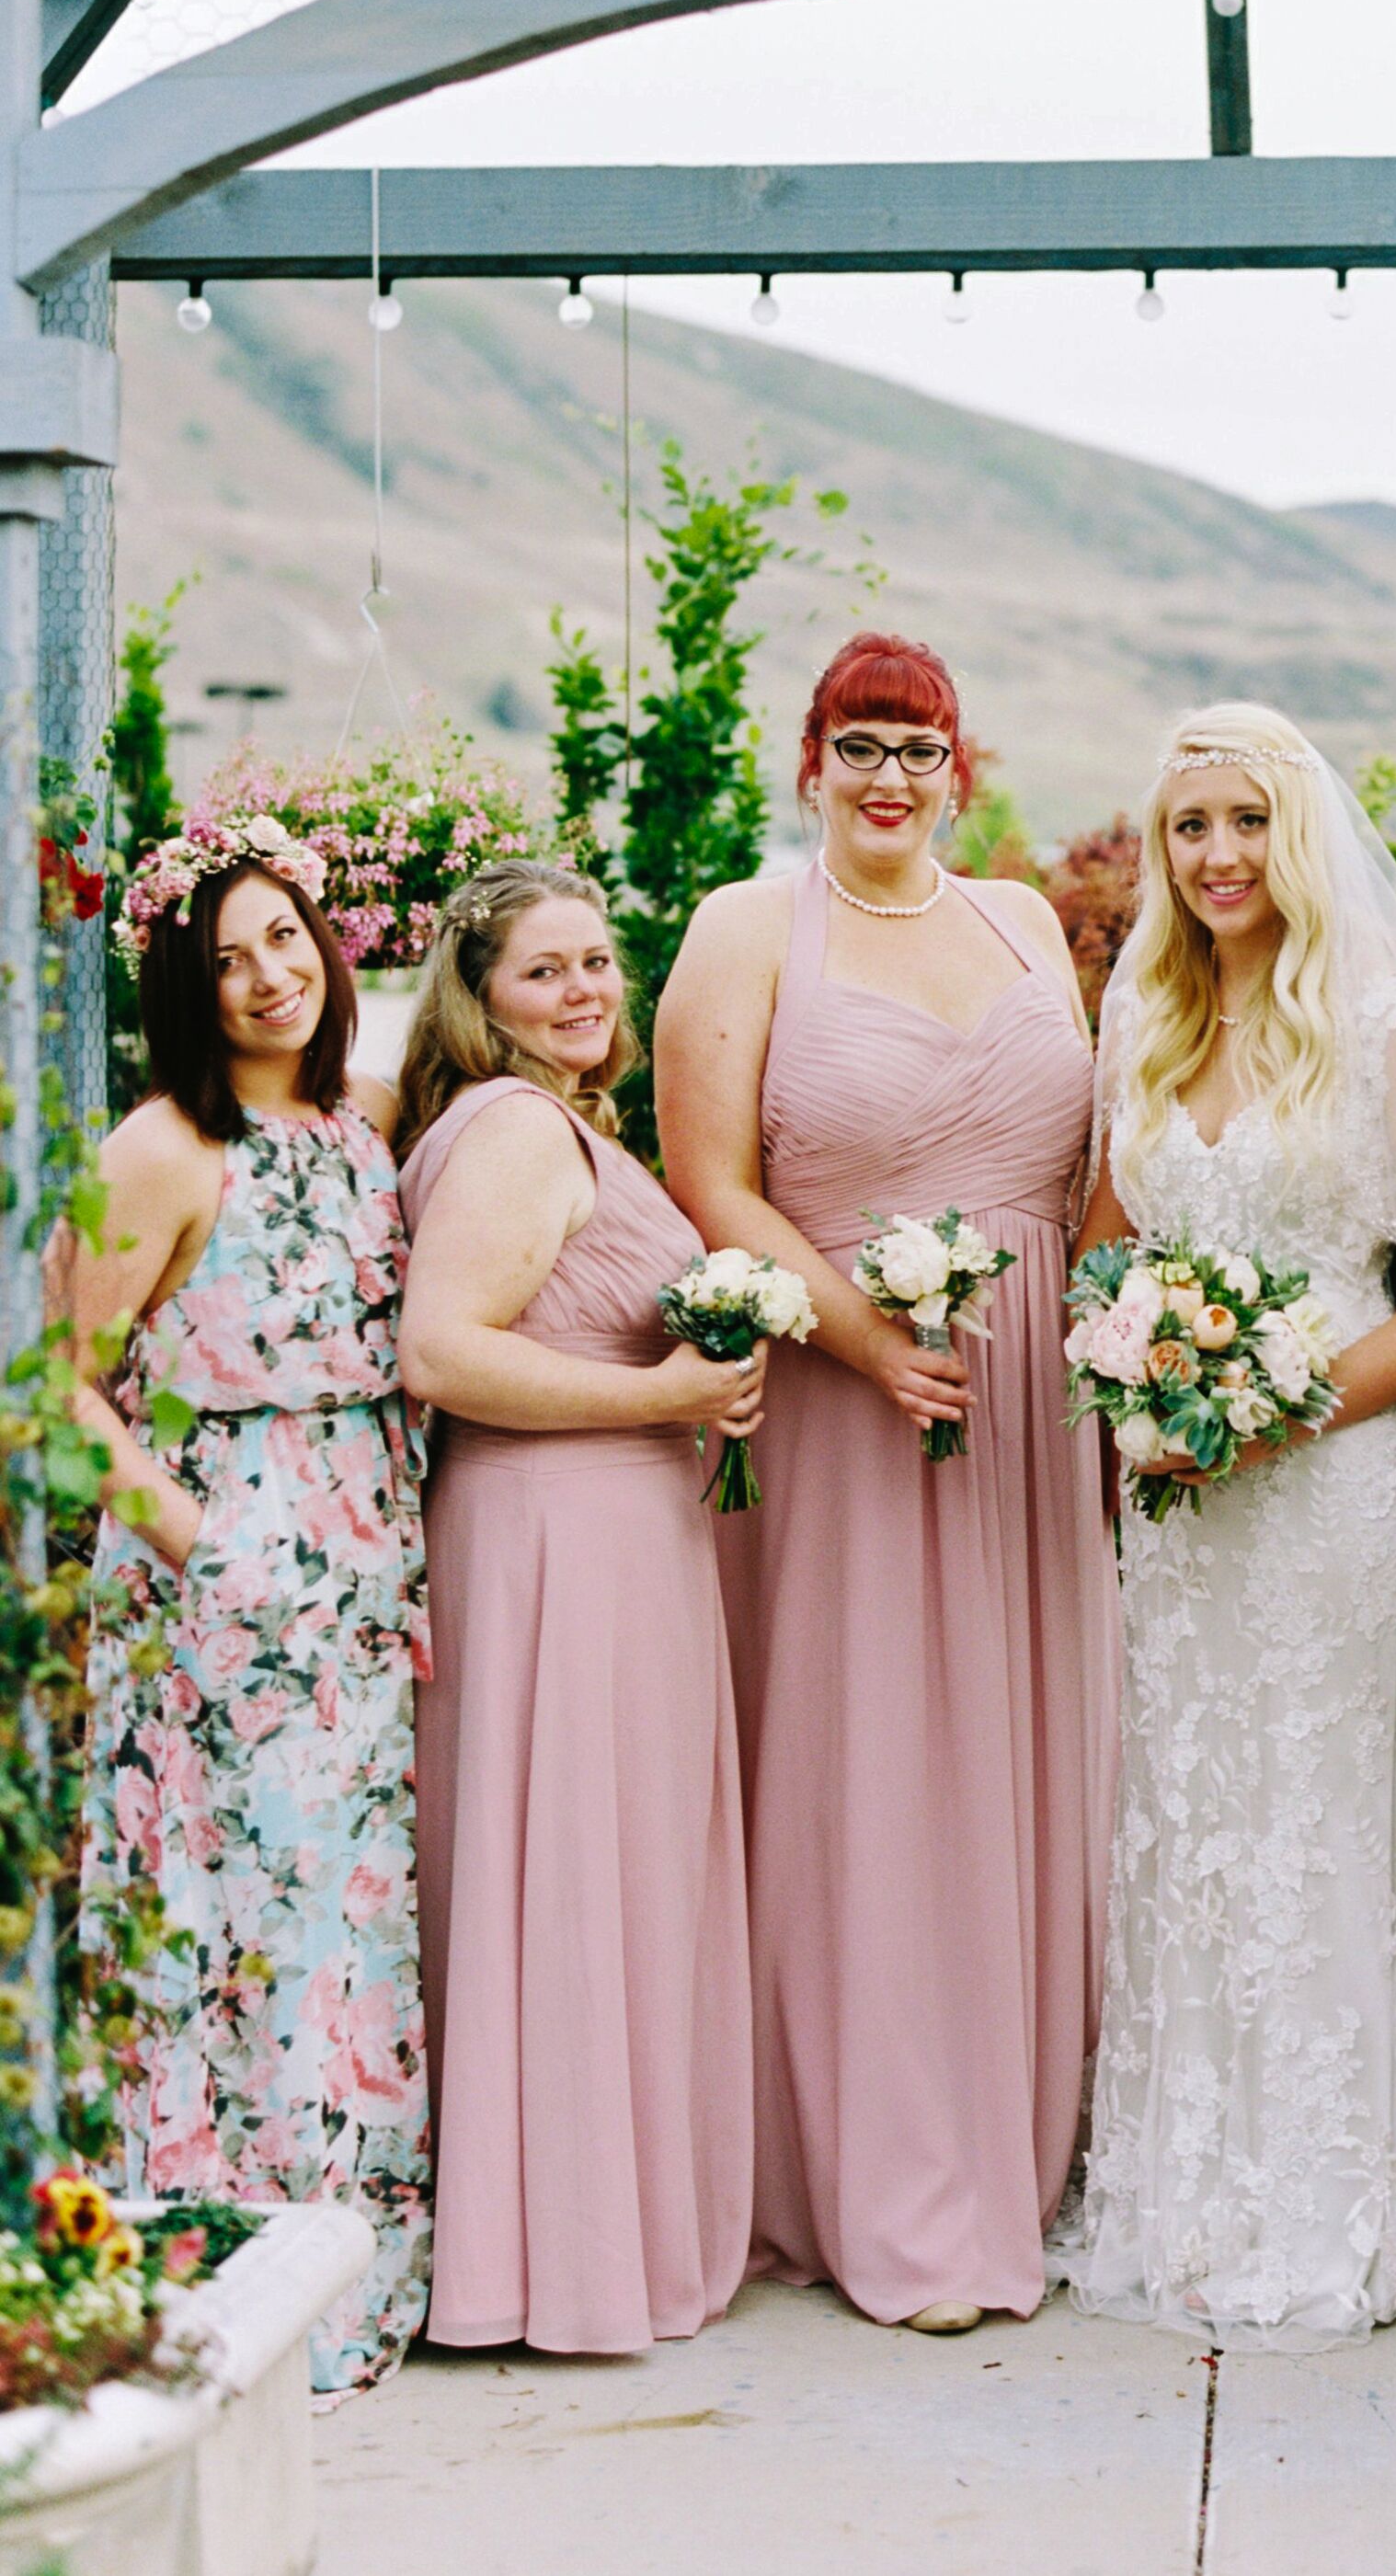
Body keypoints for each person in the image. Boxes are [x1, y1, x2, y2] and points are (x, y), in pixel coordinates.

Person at [657, 630, 1118, 2339]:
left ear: (961, 767)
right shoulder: (745, 926)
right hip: (846, 1407)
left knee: (1018, 1751)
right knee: (868, 1766)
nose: (887, 778)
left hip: (1025, 1406)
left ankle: (1027, 2139)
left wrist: (1108, 1347)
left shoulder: (1017, 922)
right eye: (857, 744)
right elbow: (706, 1173)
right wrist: (863, 1341)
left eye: (917, 747)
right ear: (808, 761)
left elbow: (1083, 1167)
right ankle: (870, 2164)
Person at [1052, 702, 1396, 2350]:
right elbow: (1106, 1255)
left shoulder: (1395, 1022)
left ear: (1299, 831)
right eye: (1189, 826)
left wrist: (1271, 1408)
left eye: (1246, 820)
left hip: (1334, 1483)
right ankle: (1184, 2197)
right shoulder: (1147, 1019)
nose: (1218, 855)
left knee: (1324, 1818)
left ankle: (1327, 2204)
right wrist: (1138, 1383)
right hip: (1185, 1498)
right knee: (1190, 1820)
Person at [68, 822, 429, 2398]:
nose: (269, 976)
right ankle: (213, 2287)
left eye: (286, 938)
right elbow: (55, 1382)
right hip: (219, 1589)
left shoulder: (364, 1126)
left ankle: (349, 2284)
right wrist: (200, 1541)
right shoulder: (162, 1146)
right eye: (228, 958)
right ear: (183, 989)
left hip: (362, 1580)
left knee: (345, 1927)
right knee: (221, 1929)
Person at [394, 861, 760, 2357]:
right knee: (575, 1880)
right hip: (561, 1538)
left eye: (600, 960)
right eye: (543, 969)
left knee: (591, 1880)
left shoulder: (552, 1125)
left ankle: (569, 2236)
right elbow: (441, 1352)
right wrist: (665, 1390)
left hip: (607, 1535)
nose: (585, 990)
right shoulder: (515, 1131)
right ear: (478, 995)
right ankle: (558, 2261)